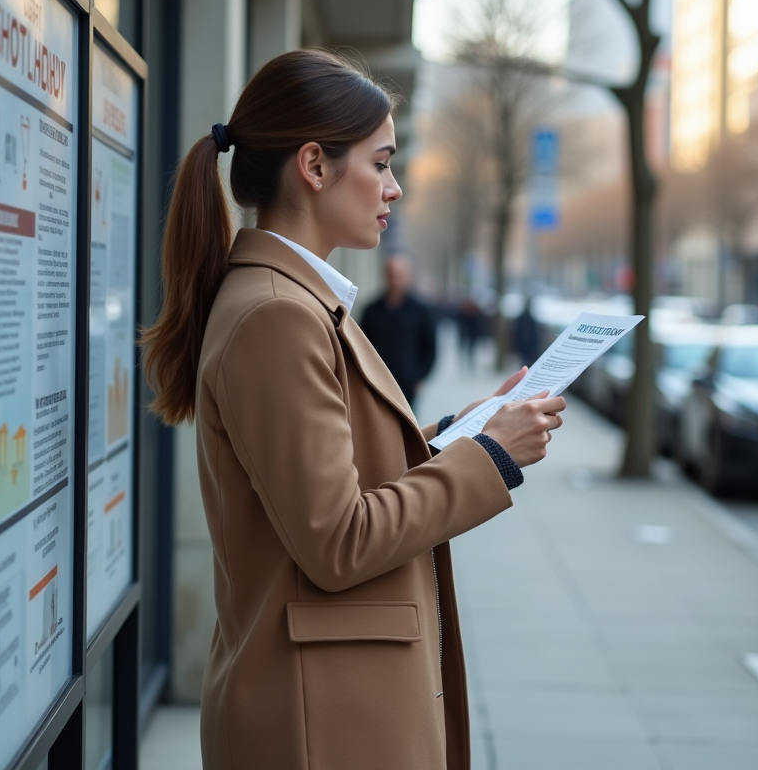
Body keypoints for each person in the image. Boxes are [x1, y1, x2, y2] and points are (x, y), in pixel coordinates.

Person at [139, 49, 566, 770]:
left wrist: (463, 431)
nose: (394, 187)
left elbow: (336, 475)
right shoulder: (277, 315)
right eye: (381, 163)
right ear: (314, 165)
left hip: (330, 704)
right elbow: (338, 540)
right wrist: (490, 456)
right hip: (322, 721)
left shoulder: (292, 302)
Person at [360, 254, 437, 403]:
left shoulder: (421, 310)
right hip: (377, 380)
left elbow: (430, 347)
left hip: (407, 383)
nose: (395, 280)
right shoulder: (371, 310)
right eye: (391, 274)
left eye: (399, 275)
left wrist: (420, 377)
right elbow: (362, 345)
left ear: (408, 276)